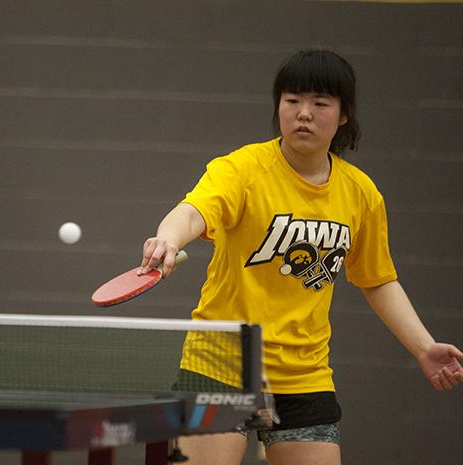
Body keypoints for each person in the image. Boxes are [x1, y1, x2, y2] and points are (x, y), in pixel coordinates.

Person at [138, 49, 463, 465]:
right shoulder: (243, 169)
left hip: (304, 374)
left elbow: (377, 279)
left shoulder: (361, 193)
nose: (303, 113)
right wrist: (167, 237)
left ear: (343, 115)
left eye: (320, 103)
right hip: (219, 366)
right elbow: (193, 211)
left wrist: (423, 348)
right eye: (292, 101)